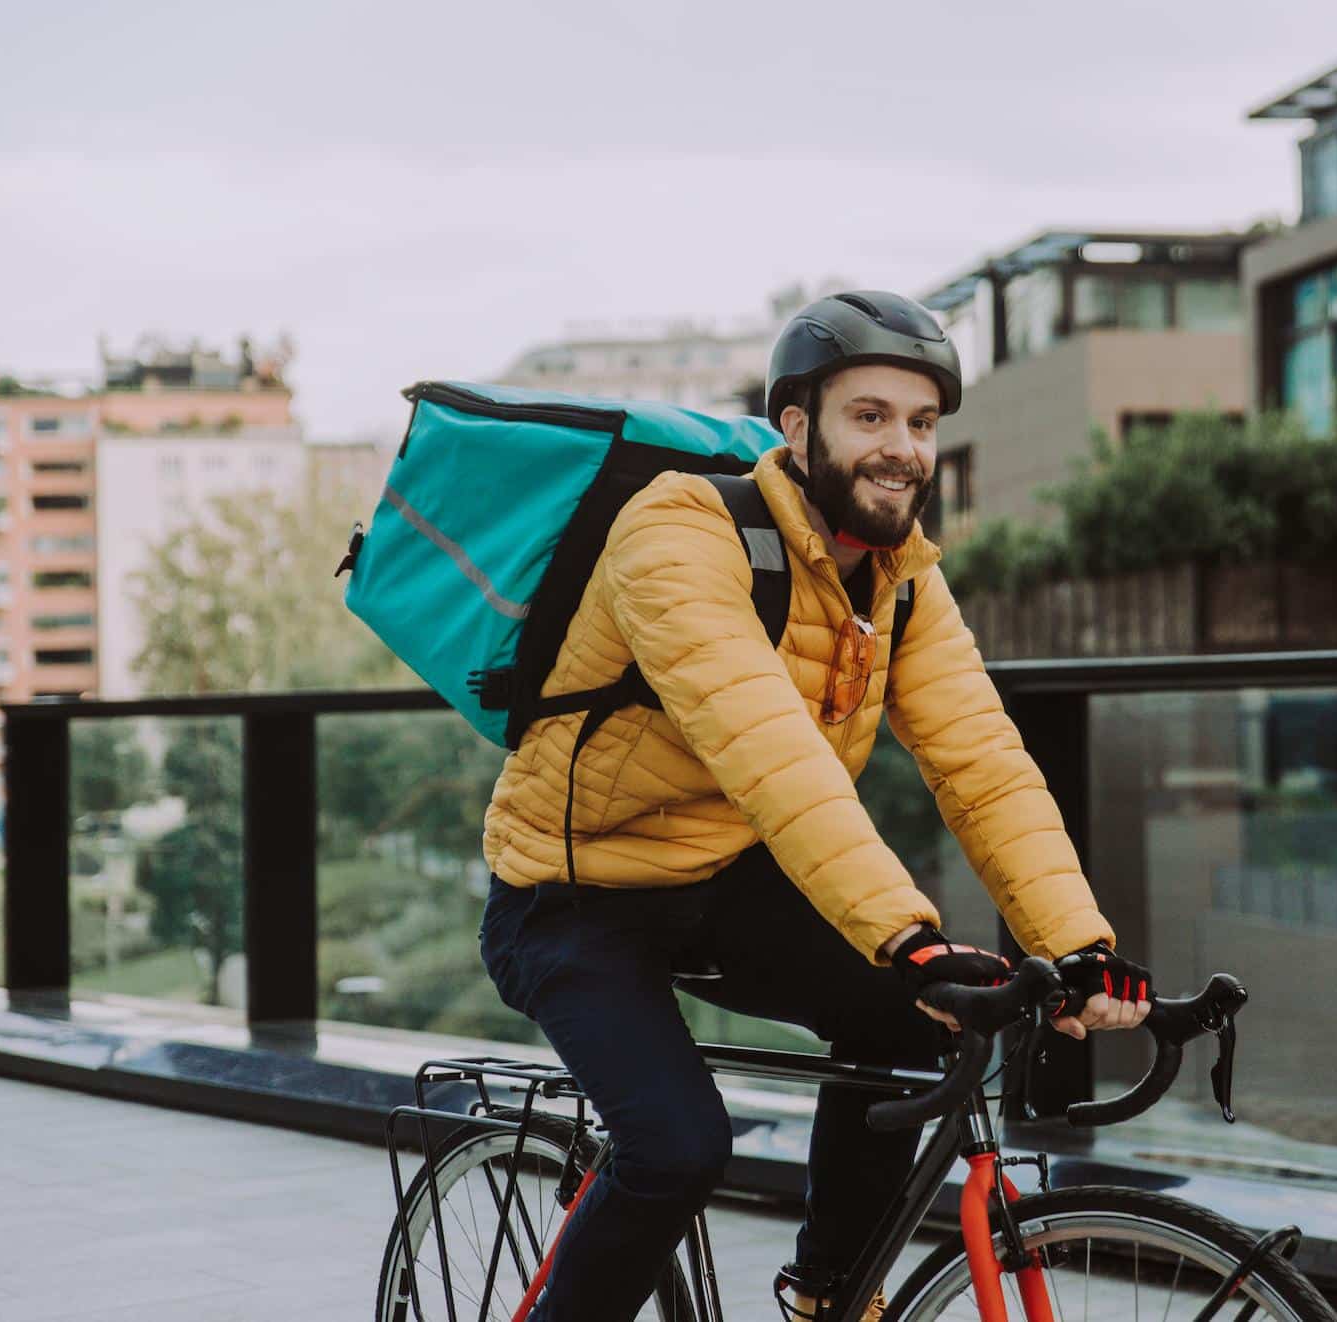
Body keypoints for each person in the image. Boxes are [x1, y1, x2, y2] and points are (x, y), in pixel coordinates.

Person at [478, 290, 1155, 1321]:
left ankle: (828, 1294)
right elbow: (775, 755)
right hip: (572, 893)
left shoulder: (902, 584)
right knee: (676, 1144)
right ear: (797, 427)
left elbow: (983, 762)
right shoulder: (675, 529)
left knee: (911, 1014)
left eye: (922, 423)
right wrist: (906, 933)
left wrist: (1078, 943)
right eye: (870, 416)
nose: (904, 449)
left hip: (721, 877)